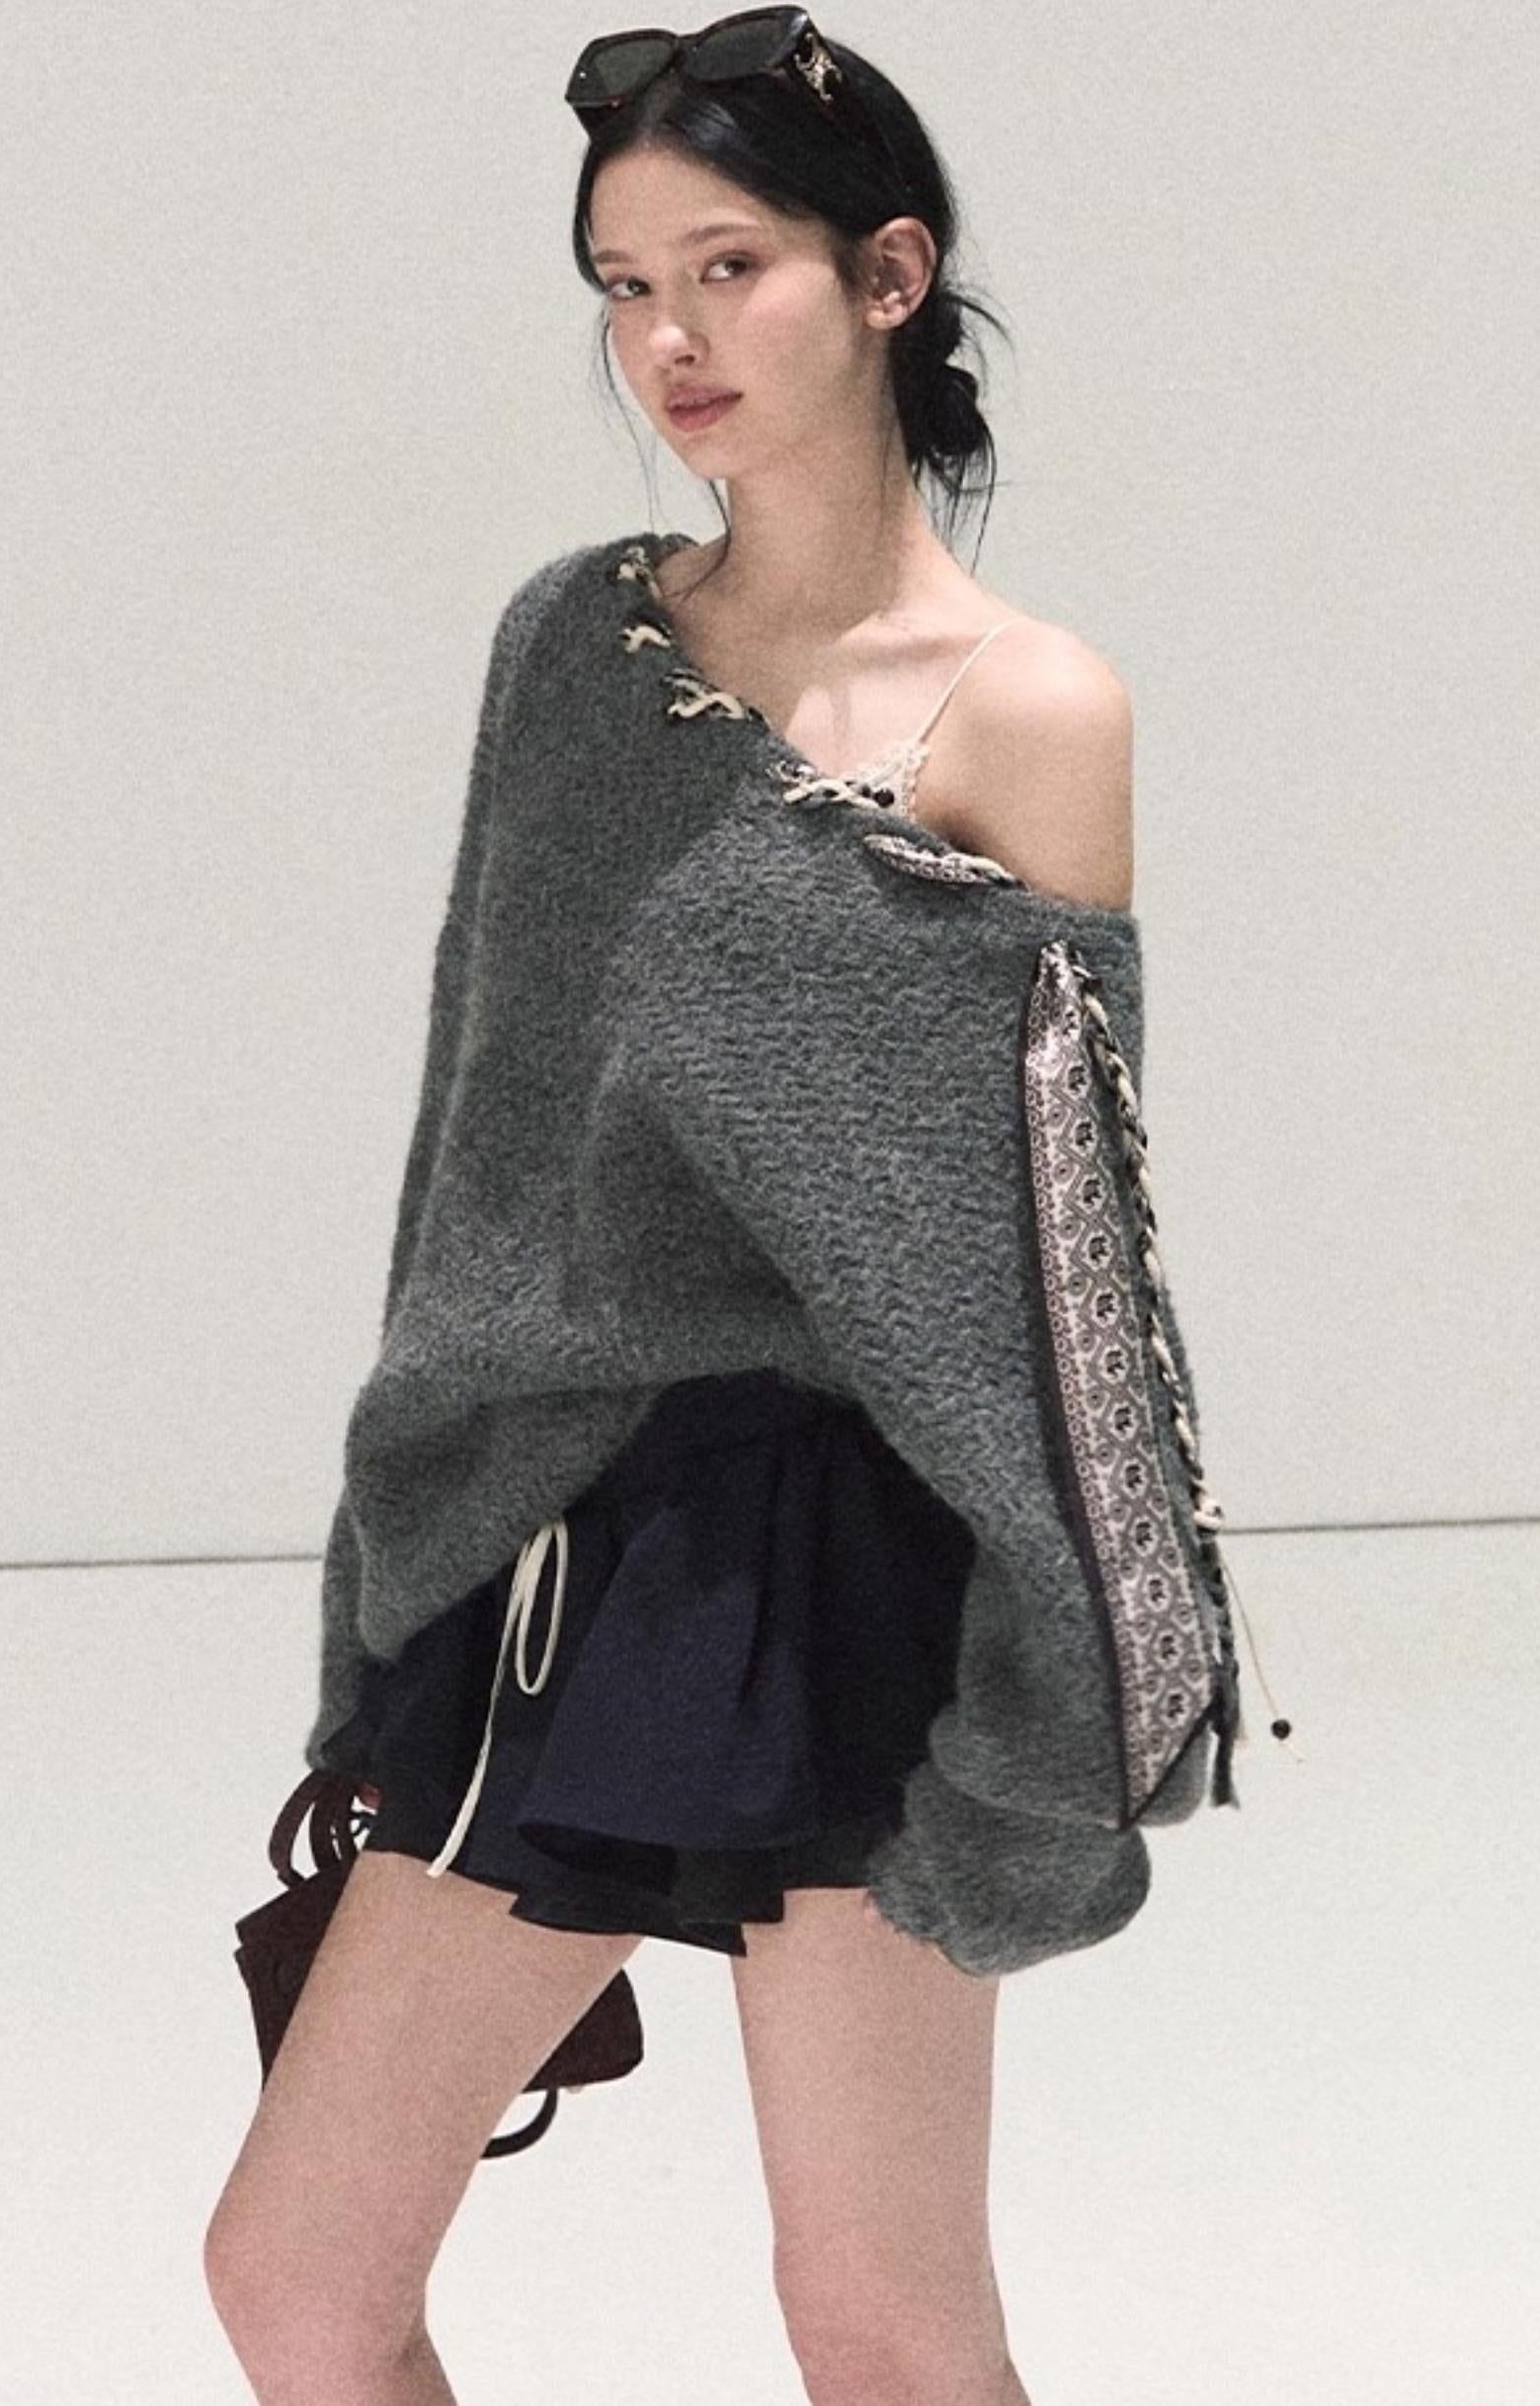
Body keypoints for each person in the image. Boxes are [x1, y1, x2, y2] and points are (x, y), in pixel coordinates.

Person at [206, 19, 1228, 2406]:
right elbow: (480, 1123)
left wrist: (1077, 1651)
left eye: (727, 264)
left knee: (876, 2319)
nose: (667, 336)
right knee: (297, 2275)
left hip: (871, 1564)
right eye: (621, 284)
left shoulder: (1030, 708)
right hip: (575, 1529)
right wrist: (401, 1539)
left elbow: (1061, 1244)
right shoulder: (576, 647)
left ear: (888, 275)